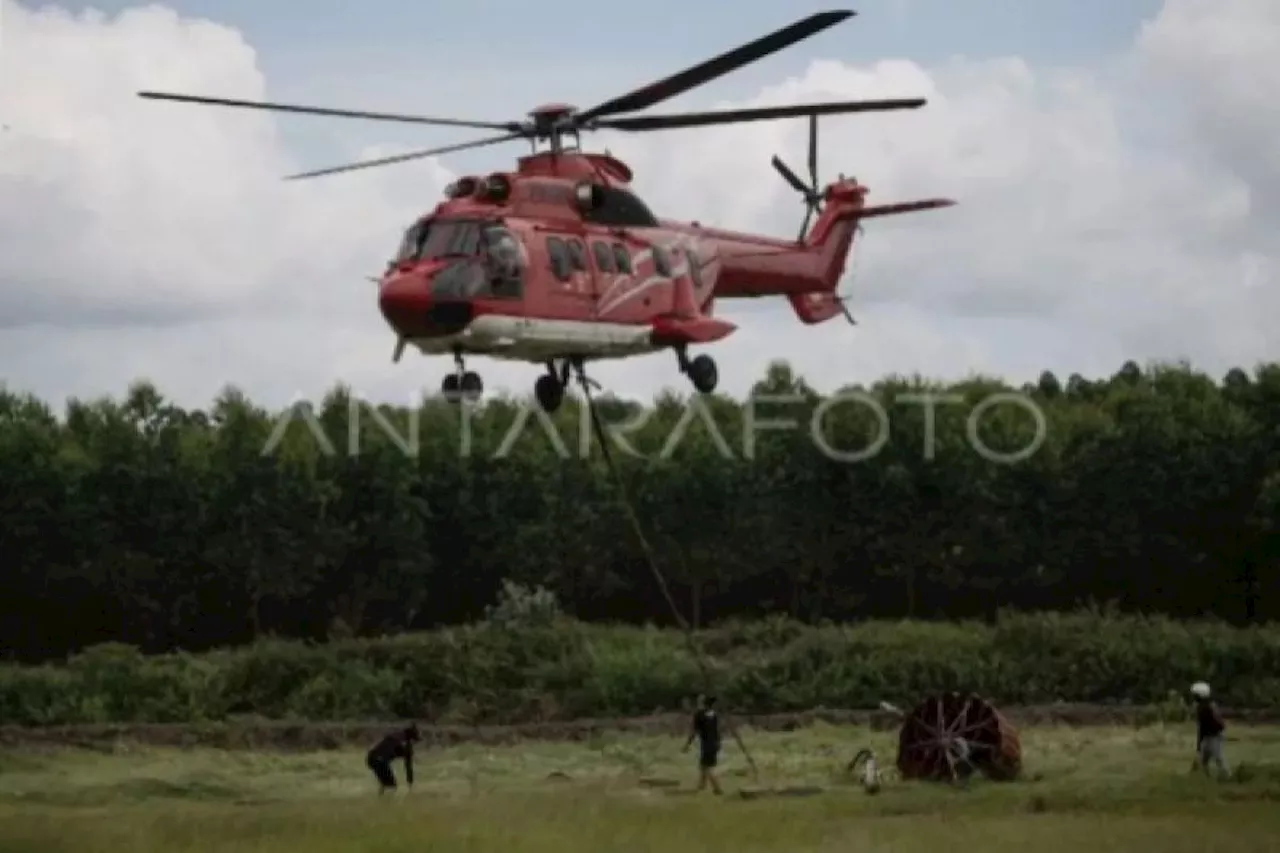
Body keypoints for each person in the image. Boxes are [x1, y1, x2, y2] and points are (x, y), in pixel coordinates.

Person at [682, 694, 723, 794]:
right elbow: (717, 730)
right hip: (714, 743)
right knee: (703, 765)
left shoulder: (699, 715)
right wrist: (719, 742)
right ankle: (702, 785)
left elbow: (693, 732)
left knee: (708, 767)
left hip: (706, 744)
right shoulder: (714, 714)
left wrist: (687, 745)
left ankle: (717, 788)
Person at [1190, 681, 1229, 779]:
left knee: (1217, 756)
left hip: (1214, 734)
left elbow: (1202, 727)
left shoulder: (1203, 708)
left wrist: (1199, 744)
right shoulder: (1209, 705)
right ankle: (1206, 776)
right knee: (1205, 757)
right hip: (1212, 733)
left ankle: (1227, 775)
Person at [366, 723, 420, 794]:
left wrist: (410, 783)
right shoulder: (400, 742)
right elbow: (408, 766)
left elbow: (408, 767)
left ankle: (381, 798)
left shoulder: (399, 740)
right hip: (378, 760)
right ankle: (385, 802)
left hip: (372, 758)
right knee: (391, 786)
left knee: (387, 784)